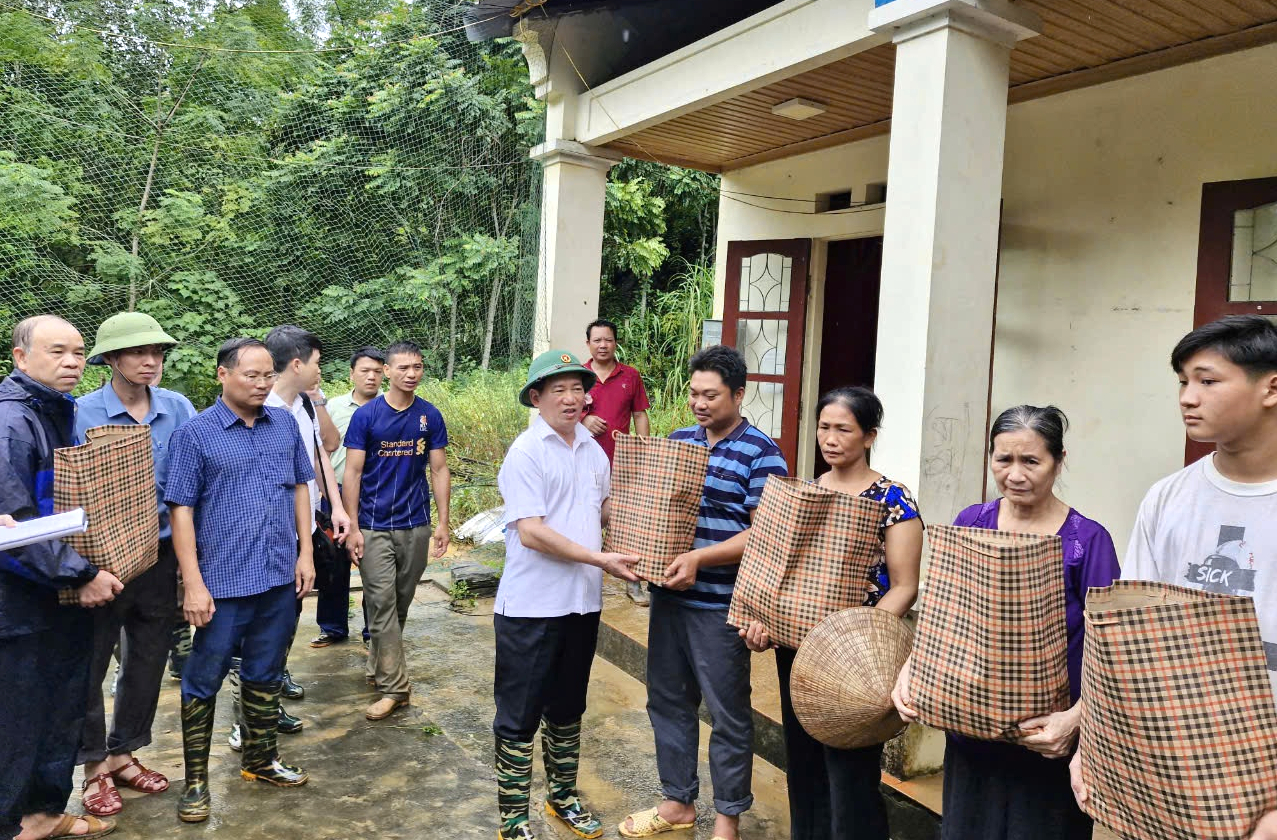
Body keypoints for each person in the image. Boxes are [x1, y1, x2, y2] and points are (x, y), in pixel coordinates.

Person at [1066, 315, 1277, 840]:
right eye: (1182, 381)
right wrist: (1091, 744)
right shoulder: (1169, 497)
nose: (1187, 396)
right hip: (1169, 765)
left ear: (1272, 386)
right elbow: (1128, 638)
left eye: (1208, 380)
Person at [892, 405, 1120, 840]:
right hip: (971, 736)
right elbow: (943, 616)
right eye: (1004, 459)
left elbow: (1114, 651)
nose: (1015, 474)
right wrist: (909, 673)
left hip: (1046, 740)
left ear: (1059, 460)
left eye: (1031, 461)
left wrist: (1075, 720)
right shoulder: (971, 523)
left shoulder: (1087, 542)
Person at [738, 386, 922, 840]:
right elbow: (778, 571)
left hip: (857, 664)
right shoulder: (807, 493)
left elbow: (905, 587)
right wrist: (761, 621)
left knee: (851, 774)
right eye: (824, 427)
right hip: (799, 654)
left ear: (869, 436)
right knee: (803, 765)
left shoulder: (893, 500)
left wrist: (857, 641)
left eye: (844, 429)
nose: (830, 438)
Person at [620, 345, 787, 840]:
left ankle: (728, 818)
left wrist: (699, 558)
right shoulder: (678, 441)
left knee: (727, 712)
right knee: (667, 702)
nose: (699, 403)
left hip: (720, 607)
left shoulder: (762, 453)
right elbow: (654, 512)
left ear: (739, 393)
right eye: (693, 393)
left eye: (710, 395)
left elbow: (764, 534)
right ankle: (677, 803)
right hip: (670, 600)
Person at [165, 337, 316, 823]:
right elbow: (181, 508)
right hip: (222, 583)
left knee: (266, 672)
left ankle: (260, 759)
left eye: (268, 374)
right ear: (222, 375)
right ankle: (195, 782)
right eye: (251, 374)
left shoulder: (283, 427)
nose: (261, 382)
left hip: (277, 576)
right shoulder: (197, 434)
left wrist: (305, 552)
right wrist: (192, 581)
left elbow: (299, 486)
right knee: (203, 679)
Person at [492, 349, 641, 840]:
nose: (573, 397)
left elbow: (603, 509)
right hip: (533, 606)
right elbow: (532, 532)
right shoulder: (526, 452)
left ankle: (563, 797)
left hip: (581, 602)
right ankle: (513, 820)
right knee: (519, 713)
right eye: (559, 389)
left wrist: (641, 532)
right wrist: (601, 560)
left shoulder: (593, 449)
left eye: (578, 388)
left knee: (568, 705)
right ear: (536, 398)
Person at [1, 315, 122, 840]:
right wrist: (83, 573)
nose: (72, 361)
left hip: (60, 598)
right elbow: (11, 531)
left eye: (78, 352)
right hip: (21, 603)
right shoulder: (10, 423)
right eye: (57, 352)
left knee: (63, 708)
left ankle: (45, 812)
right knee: (19, 720)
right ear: (21, 357)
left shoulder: (57, 412)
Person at [75, 313, 196, 818]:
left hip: (162, 554)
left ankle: (125, 753)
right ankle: (94, 768)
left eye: (158, 353)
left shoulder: (177, 407)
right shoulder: (78, 413)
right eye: (138, 353)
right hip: (101, 557)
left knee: (147, 657)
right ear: (110, 359)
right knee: (90, 664)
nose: (151, 362)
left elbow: (193, 481)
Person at [218, 325, 350, 749]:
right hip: (263, 538)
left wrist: (338, 508)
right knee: (250, 632)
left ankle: (267, 703)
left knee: (282, 625)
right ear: (297, 363)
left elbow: (321, 458)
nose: (320, 371)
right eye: (316, 363)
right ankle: (245, 719)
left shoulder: (305, 408)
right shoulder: (260, 410)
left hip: (303, 532)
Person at [342, 340, 450, 721]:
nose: (411, 374)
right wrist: (352, 526)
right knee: (382, 602)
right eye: (403, 367)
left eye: (417, 367)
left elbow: (438, 469)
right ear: (387, 371)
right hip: (372, 526)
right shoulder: (367, 416)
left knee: (398, 603)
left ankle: (379, 667)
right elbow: (352, 473)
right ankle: (395, 689)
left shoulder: (429, 416)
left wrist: (443, 522)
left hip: (416, 523)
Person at [312, 346, 385, 648]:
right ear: (351, 373)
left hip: (374, 495)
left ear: (385, 374)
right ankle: (332, 627)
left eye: (377, 371)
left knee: (375, 563)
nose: (371, 377)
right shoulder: (332, 408)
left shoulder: (391, 407)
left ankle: (374, 632)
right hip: (335, 495)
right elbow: (323, 448)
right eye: (365, 371)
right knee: (333, 563)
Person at [580, 319, 651, 606]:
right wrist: (584, 420)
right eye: (596, 340)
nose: (602, 345)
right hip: (583, 463)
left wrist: (643, 452)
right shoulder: (578, 375)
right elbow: (562, 413)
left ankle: (633, 582)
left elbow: (640, 415)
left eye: (607, 339)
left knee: (629, 523)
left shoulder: (630, 376)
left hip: (623, 463)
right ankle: (585, 578)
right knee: (587, 519)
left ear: (615, 342)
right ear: (588, 344)